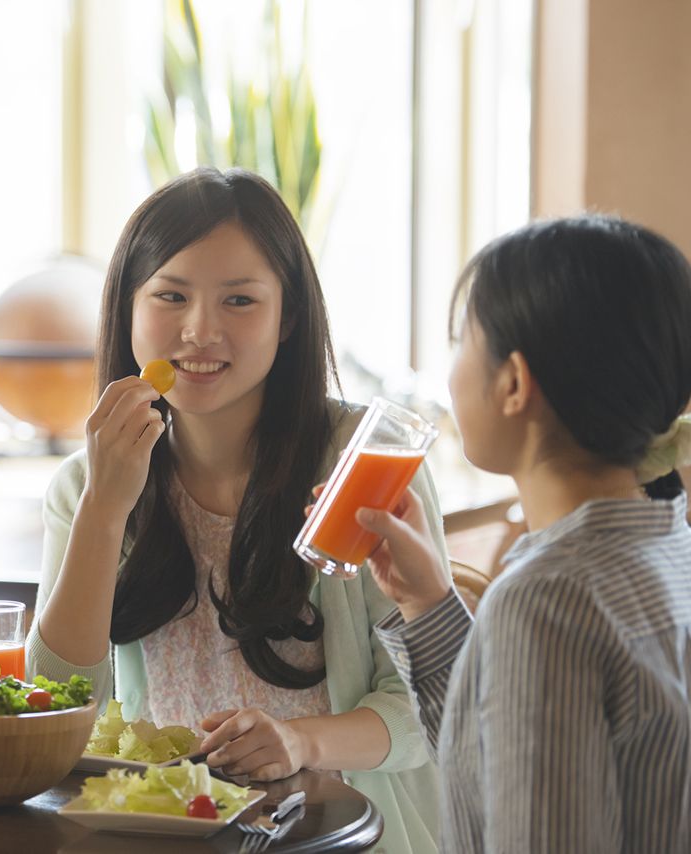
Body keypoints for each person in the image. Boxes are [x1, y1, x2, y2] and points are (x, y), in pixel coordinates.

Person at [28, 167, 444, 853]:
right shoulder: (86, 483)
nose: (199, 331)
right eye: (170, 295)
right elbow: (55, 705)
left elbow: (424, 703)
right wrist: (106, 509)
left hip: (350, 834)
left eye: (240, 301)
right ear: (127, 311)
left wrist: (296, 742)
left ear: (289, 320)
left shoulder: (362, 462)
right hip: (167, 833)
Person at [358, 215, 691, 852]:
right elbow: (504, 757)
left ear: (512, 383)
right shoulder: (681, 552)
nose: (449, 374)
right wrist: (427, 605)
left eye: (460, 341)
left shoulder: (547, 601)